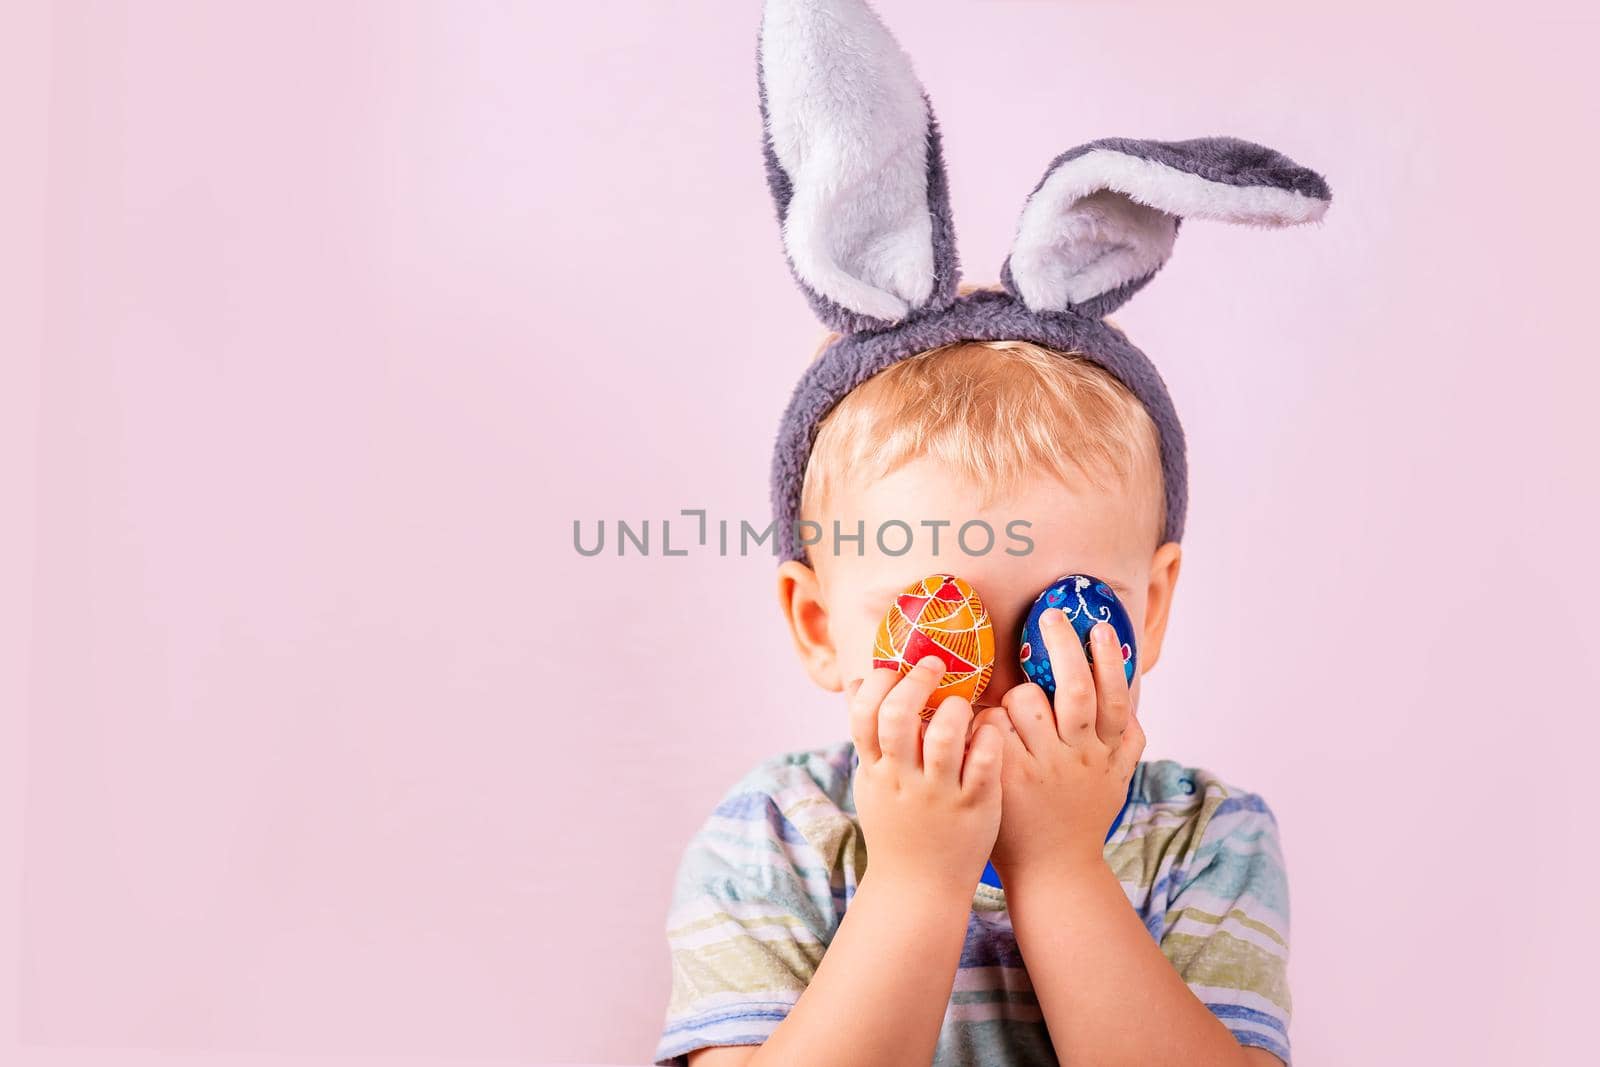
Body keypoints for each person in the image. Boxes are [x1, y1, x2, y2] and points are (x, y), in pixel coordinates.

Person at [653, 3, 1329, 1063]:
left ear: (1147, 607)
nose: (1001, 692)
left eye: (1066, 620)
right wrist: (918, 875)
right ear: (818, 620)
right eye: (934, 621)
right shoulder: (776, 834)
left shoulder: (1205, 836)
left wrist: (1058, 862)